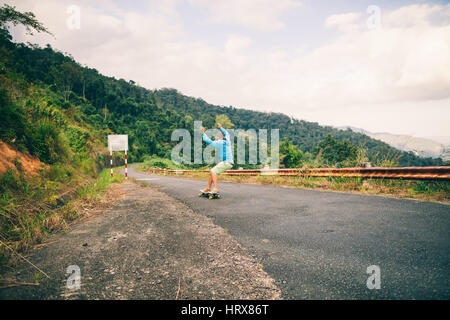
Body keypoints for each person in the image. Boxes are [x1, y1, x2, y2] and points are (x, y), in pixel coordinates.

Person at [201, 123, 233, 194]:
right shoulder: (227, 139)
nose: (216, 138)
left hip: (226, 162)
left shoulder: (220, 142)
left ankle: (215, 188)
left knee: (213, 171)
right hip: (228, 162)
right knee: (211, 173)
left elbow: (209, 141)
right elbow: (226, 133)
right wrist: (220, 127)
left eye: (217, 137)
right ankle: (208, 188)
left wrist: (203, 134)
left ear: (219, 137)